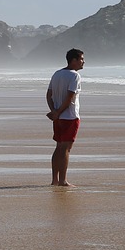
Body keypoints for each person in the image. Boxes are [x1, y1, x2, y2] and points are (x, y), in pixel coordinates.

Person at [45, 48, 85, 187]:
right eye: (81, 59)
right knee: (66, 148)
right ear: (73, 60)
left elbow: (48, 95)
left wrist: (54, 111)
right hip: (69, 116)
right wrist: (58, 112)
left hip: (58, 117)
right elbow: (70, 97)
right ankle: (62, 180)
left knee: (58, 147)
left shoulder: (57, 74)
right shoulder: (74, 76)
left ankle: (54, 180)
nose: (83, 62)